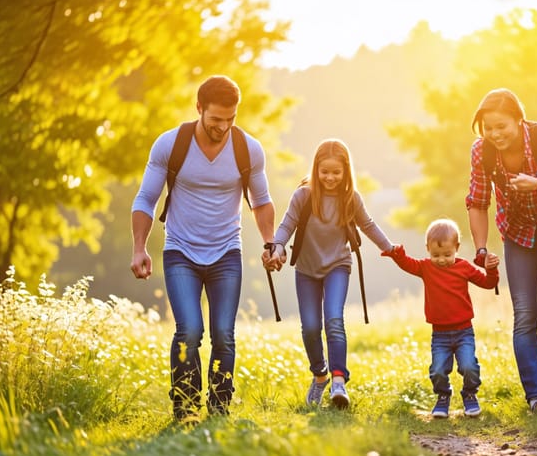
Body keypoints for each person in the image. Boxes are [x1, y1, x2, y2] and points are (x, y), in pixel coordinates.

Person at [130, 75, 276, 422]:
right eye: (215, 120)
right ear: (199, 109)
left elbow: (262, 201)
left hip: (227, 251)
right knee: (190, 330)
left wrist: (271, 243)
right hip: (180, 250)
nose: (223, 127)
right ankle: (185, 407)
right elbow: (146, 198)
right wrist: (139, 248)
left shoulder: (248, 149)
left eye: (231, 119)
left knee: (224, 333)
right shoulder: (171, 145)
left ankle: (220, 408)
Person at [465, 88, 537, 413]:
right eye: (488, 127)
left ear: (519, 119)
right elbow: (477, 202)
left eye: (501, 126)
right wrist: (479, 248)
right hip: (519, 234)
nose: (494, 134)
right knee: (525, 316)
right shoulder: (483, 152)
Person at [264, 139, 394, 409]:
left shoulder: (350, 198)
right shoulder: (304, 196)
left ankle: (338, 380)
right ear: (316, 169)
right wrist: (276, 248)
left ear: (346, 172)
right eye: (325, 172)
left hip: (338, 265)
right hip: (307, 269)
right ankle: (320, 374)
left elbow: (368, 225)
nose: (330, 177)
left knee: (334, 319)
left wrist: (390, 248)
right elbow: (286, 225)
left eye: (337, 172)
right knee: (311, 327)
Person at [382, 219, 499, 418]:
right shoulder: (426, 267)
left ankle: (470, 395)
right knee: (437, 370)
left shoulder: (464, 268)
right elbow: (407, 264)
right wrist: (396, 253)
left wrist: (491, 268)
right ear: (427, 249)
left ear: (457, 248)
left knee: (469, 366)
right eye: (435, 255)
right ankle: (443, 398)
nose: (441, 259)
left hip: (464, 332)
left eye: (447, 254)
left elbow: (488, 283)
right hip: (440, 334)